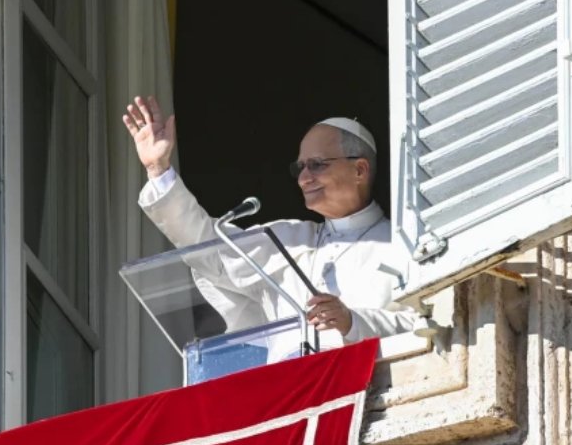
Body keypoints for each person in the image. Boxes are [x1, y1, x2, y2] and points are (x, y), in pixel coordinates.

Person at [122, 95, 415, 357]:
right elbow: (210, 249)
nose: (304, 179)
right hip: (286, 395)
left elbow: (423, 325)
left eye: (316, 164)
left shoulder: (404, 243)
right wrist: (158, 170)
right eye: (299, 168)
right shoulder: (288, 238)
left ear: (359, 170)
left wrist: (353, 322)